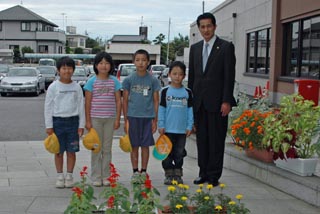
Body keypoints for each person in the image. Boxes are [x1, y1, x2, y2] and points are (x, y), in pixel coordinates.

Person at [188, 12, 236, 186]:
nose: (206, 29)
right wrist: (190, 104)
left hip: (218, 104)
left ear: (215, 27)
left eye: (209, 26)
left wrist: (226, 101)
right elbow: (193, 79)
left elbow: (229, 77)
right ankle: (203, 173)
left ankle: (214, 175)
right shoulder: (195, 49)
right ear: (199, 28)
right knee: (202, 140)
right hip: (199, 103)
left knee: (216, 140)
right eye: (202, 26)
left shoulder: (225, 47)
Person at [44, 56, 85, 188]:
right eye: (64, 68)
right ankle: (60, 176)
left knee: (71, 151)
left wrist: (81, 125)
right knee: (58, 151)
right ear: (58, 70)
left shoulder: (77, 87)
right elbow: (48, 107)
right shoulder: (53, 87)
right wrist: (49, 126)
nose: (66, 71)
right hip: (57, 123)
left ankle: (69, 175)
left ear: (73, 70)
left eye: (69, 68)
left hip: (73, 122)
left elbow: (81, 107)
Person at [83, 51, 121, 187]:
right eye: (101, 63)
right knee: (96, 148)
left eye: (107, 63)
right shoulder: (91, 81)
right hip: (95, 119)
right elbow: (87, 102)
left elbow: (118, 101)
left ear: (111, 65)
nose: (104, 66)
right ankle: (96, 176)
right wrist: (87, 120)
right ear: (96, 65)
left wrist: (117, 119)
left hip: (110, 119)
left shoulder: (115, 81)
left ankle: (106, 176)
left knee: (107, 148)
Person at [122, 49, 161, 181]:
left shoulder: (153, 80)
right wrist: (126, 119)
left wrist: (155, 119)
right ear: (134, 62)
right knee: (134, 146)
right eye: (138, 60)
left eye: (144, 60)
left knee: (145, 145)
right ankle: (135, 172)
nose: (141, 63)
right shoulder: (129, 79)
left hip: (147, 118)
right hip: (132, 117)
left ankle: (143, 171)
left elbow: (156, 100)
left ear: (148, 62)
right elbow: (125, 100)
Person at [158, 61, 194, 185]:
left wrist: (189, 126)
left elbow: (190, 111)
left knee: (179, 153)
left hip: (181, 131)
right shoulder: (164, 91)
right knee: (166, 154)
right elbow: (161, 109)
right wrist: (161, 125)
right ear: (169, 74)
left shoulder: (188, 92)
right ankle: (168, 174)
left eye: (180, 74)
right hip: (167, 130)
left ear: (184, 76)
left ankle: (178, 174)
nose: (177, 76)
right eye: (174, 73)